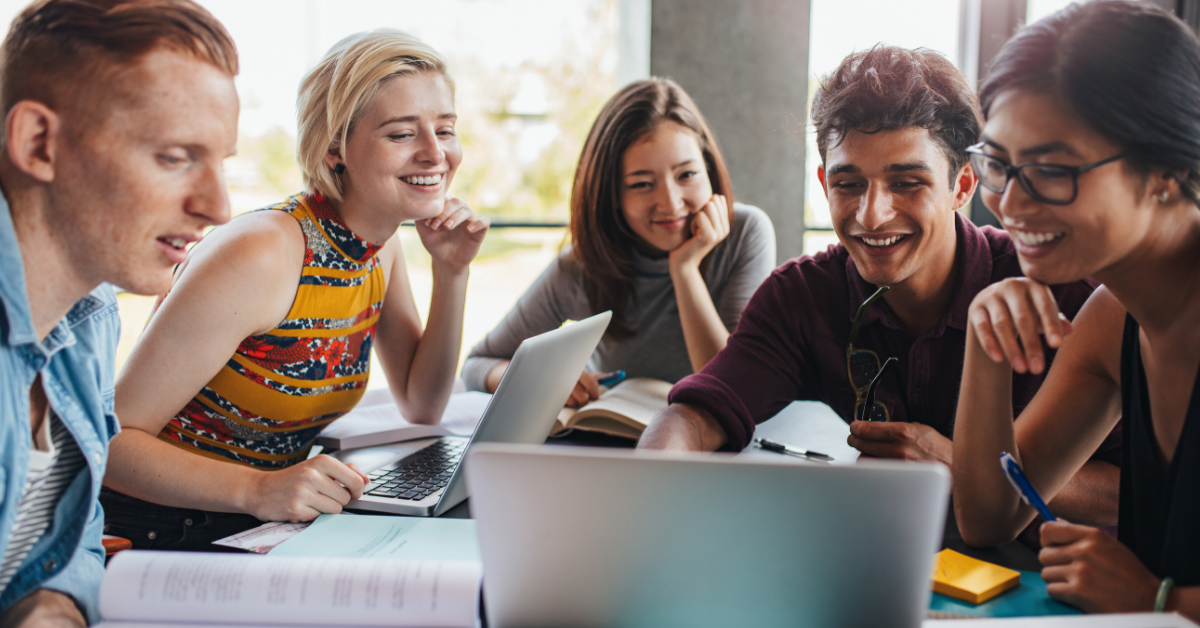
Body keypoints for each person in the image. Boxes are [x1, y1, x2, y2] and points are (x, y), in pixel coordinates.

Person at [637, 46, 1117, 530]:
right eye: (848, 185)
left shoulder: (1065, 294)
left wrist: (957, 464)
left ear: (963, 185)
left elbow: (1139, 493)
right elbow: (692, 418)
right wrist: (645, 504)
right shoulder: (801, 295)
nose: (872, 215)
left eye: (907, 183)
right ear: (825, 184)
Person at [102, 29, 489, 550]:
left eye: (445, 130)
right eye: (401, 134)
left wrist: (452, 271)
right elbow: (111, 443)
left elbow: (423, 403)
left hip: (258, 524)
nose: (434, 153)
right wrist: (260, 488)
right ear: (335, 148)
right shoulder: (261, 252)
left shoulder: (381, 245)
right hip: (159, 531)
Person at [951, 1, 1200, 618]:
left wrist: (1158, 599)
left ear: (1168, 169)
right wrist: (987, 346)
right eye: (999, 165)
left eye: (1050, 170)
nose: (1009, 203)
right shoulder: (1113, 318)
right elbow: (989, 517)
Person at [0, 0, 238, 623]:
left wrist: (53, 605)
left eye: (221, 162)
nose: (219, 207)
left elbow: (70, 538)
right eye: (175, 157)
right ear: (39, 143)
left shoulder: (91, 310)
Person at [461, 77, 776, 407]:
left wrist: (684, 269)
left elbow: (730, 385)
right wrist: (541, 381)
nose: (670, 203)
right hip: (613, 446)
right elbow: (476, 366)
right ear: (611, 194)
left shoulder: (745, 233)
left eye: (687, 175)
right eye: (642, 184)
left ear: (709, 169)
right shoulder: (583, 266)